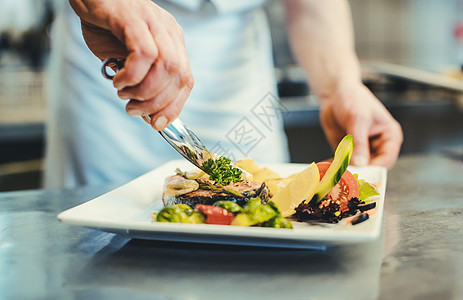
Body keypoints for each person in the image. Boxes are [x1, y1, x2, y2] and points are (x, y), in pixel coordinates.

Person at [44, 0, 403, 189]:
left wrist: (339, 85)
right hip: (115, 49)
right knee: (106, 253)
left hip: (237, 70)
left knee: (259, 226)